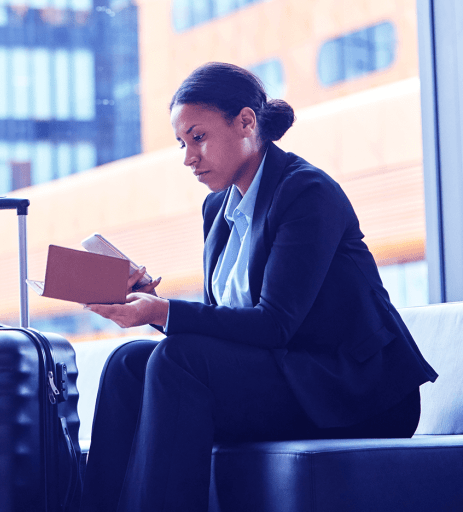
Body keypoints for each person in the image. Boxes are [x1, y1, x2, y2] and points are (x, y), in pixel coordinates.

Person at [80, 62, 438, 512]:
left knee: (178, 359)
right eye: (181, 143)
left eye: (198, 137)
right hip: (282, 378)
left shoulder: (306, 193)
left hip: (350, 389)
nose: (188, 157)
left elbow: (275, 324)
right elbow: (228, 330)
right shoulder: (219, 208)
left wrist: (161, 311)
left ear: (246, 122)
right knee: (129, 362)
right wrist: (147, 302)